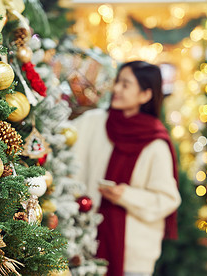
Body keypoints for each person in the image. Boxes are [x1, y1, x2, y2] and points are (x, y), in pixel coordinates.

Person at [71, 61, 181, 276]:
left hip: (133, 255)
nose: (117, 89)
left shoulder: (155, 144)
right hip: (86, 245)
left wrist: (125, 195)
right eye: (117, 82)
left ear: (145, 95)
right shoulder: (93, 123)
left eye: (125, 85)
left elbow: (168, 199)